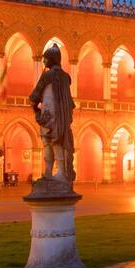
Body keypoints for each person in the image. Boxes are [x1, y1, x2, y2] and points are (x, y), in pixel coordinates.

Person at [29, 44, 76, 184]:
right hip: (62, 117)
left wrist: (36, 110)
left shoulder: (47, 75)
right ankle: (60, 172)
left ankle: (49, 172)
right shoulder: (66, 78)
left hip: (48, 116)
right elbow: (70, 102)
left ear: (51, 59)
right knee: (59, 143)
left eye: (46, 58)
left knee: (48, 143)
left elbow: (33, 97)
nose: (43, 61)